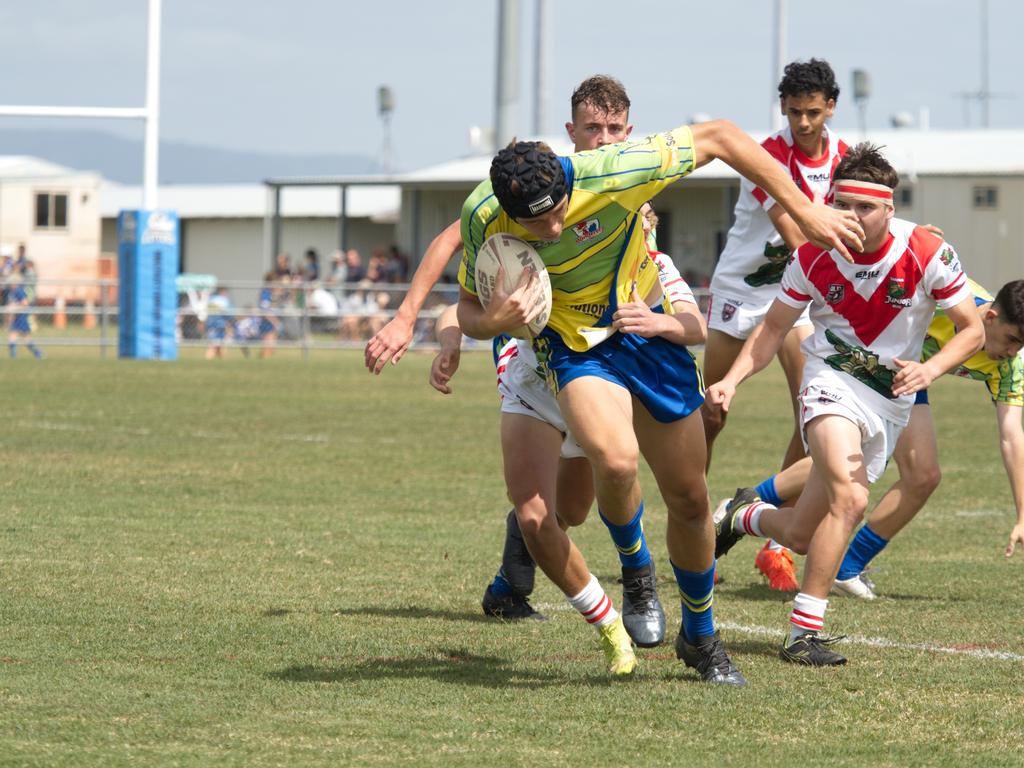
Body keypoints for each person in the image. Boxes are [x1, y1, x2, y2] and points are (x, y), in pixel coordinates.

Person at [456, 108, 861, 683]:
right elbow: (469, 308)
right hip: (575, 348)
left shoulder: (612, 172)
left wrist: (804, 208)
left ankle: (699, 633)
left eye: (557, 216)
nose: (549, 232)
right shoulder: (483, 215)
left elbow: (722, 136)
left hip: (646, 333)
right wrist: (492, 317)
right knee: (615, 462)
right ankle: (637, 569)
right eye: (532, 225)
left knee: (692, 500)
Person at [706, 143, 983, 666]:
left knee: (801, 535)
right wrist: (733, 380)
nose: (851, 217)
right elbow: (772, 330)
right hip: (829, 384)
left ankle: (741, 517)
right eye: (842, 204)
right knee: (851, 501)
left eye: (865, 208)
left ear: (889, 209)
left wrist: (931, 368)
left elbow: (970, 330)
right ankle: (802, 634)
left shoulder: (926, 252)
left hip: (889, 405)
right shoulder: (811, 253)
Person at [720, 278, 1024, 597]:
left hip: (909, 378)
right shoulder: (947, 303)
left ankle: (841, 566)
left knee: (920, 476)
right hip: (867, 359)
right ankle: (753, 506)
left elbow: (1012, 436)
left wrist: (1021, 513)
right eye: (1012, 340)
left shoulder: (1011, 367)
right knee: (852, 468)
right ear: (990, 318)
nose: (1013, 351)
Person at [702, 59, 847, 592]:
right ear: (783, 109)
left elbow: (858, 216)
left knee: (814, 419)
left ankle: (774, 539)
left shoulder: (844, 160)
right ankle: (695, 531)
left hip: (795, 298)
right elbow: (796, 231)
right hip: (741, 293)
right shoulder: (768, 156)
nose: (803, 122)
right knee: (710, 414)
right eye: (794, 112)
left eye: (812, 112)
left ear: (830, 107)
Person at [5, 274, 43, 358]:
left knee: (26, 338)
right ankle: (13, 357)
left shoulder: (19, 291)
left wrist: (15, 307)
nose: (10, 285)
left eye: (11, 283)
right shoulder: (12, 292)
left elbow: (25, 303)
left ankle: (38, 353)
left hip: (21, 317)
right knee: (12, 336)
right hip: (15, 317)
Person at [205, 286, 235, 359]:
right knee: (215, 345)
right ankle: (208, 359)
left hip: (211, 325)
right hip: (221, 325)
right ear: (223, 292)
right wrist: (229, 325)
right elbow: (229, 314)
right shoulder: (224, 301)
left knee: (219, 345)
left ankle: (222, 360)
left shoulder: (211, 299)